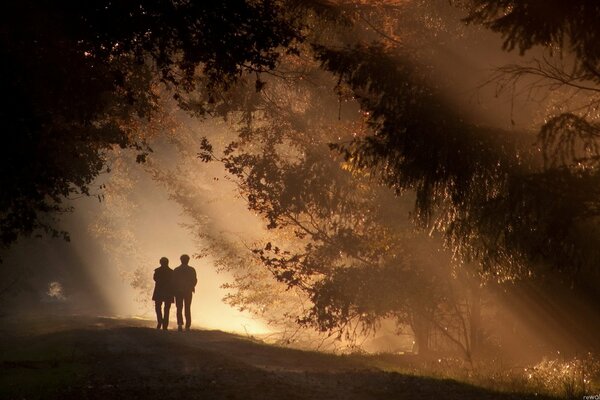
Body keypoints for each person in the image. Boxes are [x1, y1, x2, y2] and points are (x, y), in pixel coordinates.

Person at [173, 254, 197, 331]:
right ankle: (187, 325)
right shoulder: (192, 270)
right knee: (187, 308)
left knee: (179, 308)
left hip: (178, 291)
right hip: (188, 291)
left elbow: (174, 281)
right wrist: (191, 286)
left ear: (181, 260)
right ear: (188, 260)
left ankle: (180, 324)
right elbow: (194, 280)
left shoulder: (176, 270)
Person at [152, 257, 174, 330]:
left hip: (159, 291)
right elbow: (173, 282)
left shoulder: (157, 271)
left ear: (160, 263)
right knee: (167, 309)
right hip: (168, 292)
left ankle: (160, 321)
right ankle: (165, 325)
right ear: (167, 262)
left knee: (158, 307)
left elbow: (155, 279)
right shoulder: (171, 272)